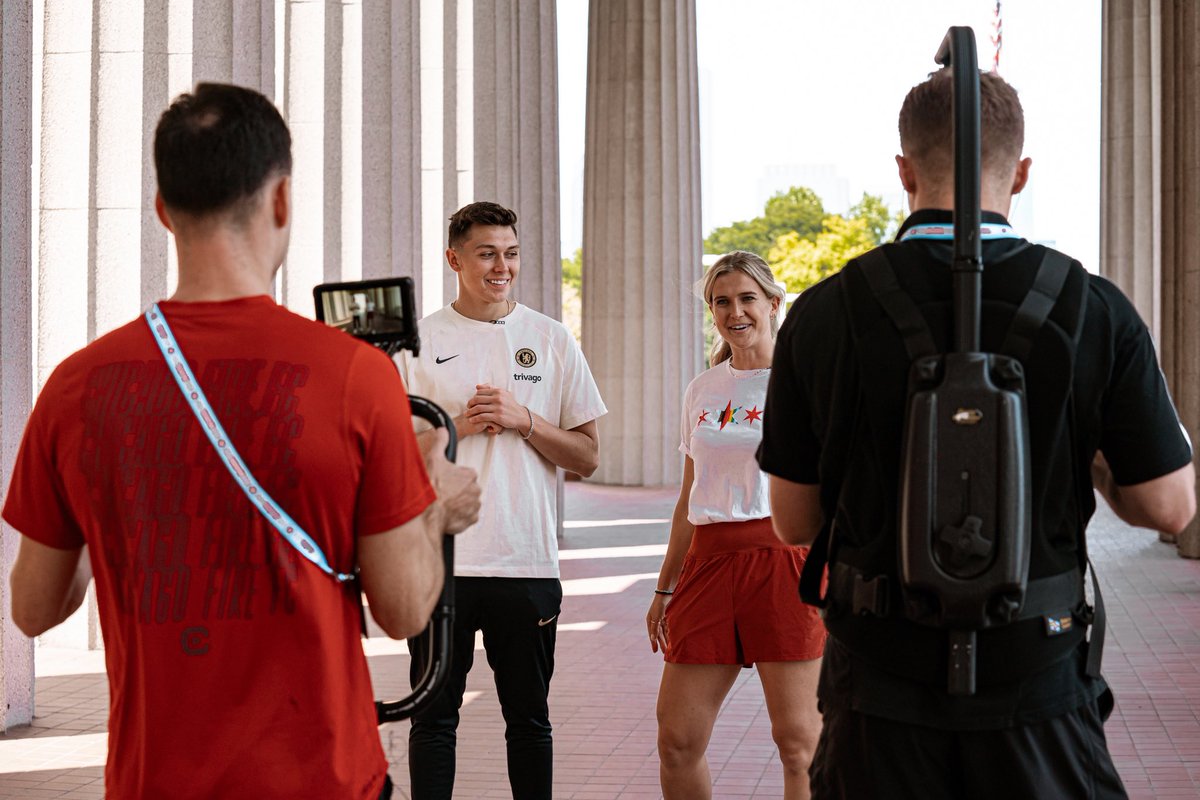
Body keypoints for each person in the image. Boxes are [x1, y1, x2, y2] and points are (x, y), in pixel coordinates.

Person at [3, 83, 482, 800]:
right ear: (281, 199)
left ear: (163, 210)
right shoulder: (355, 376)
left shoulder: (77, 386)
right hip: (324, 778)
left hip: (152, 782)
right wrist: (436, 504)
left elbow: (35, 608)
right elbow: (404, 610)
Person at [759, 68, 1197, 799]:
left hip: (879, 691)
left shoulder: (826, 311)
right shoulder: (1091, 306)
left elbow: (794, 521)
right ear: (1020, 172)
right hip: (1037, 677)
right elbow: (1170, 507)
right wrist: (1079, 446)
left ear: (904, 170)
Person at [395, 201, 607, 800]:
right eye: (487, 253)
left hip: (525, 562)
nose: (501, 267)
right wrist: (458, 423)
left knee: (530, 722)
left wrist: (524, 420)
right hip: (440, 564)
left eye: (511, 254)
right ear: (453, 259)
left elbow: (588, 457)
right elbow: (390, 457)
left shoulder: (551, 337)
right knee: (433, 721)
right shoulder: (417, 342)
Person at [647, 252, 825, 800]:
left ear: (774, 303)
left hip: (785, 563)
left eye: (748, 298)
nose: (735, 311)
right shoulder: (702, 389)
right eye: (721, 302)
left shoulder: (807, 382)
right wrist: (664, 587)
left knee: (798, 744)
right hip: (707, 565)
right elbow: (688, 498)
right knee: (677, 740)